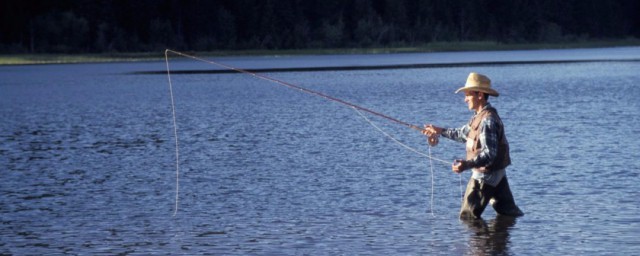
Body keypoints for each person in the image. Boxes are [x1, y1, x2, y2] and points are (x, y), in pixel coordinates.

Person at [423, 72, 523, 219]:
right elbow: (461, 134)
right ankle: (499, 241)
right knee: (509, 215)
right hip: (497, 175)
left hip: (485, 177)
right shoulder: (478, 117)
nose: (465, 100)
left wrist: (466, 165)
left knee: (467, 218)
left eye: (468, 95)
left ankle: (489, 242)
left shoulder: (487, 120)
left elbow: (489, 154)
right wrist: (439, 131)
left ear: (480, 95)